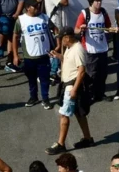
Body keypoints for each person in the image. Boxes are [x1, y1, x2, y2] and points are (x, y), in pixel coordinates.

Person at [46, 26, 94, 155]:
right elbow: (68, 61)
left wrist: (74, 90)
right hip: (68, 85)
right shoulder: (69, 48)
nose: (61, 41)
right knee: (79, 114)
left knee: (64, 114)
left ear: (67, 37)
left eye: (62, 39)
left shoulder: (78, 49)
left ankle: (61, 144)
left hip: (71, 87)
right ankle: (88, 138)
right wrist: (59, 56)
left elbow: (81, 71)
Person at [74, 0, 112, 102]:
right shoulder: (85, 14)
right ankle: (90, 95)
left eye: (100, 0)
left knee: (103, 73)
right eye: (97, 1)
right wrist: (81, 28)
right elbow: (76, 29)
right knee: (91, 74)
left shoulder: (103, 12)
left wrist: (112, 30)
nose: (99, 3)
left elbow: (108, 26)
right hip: (90, 49)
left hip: (102, 48)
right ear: (91, 1)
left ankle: (101, 93)